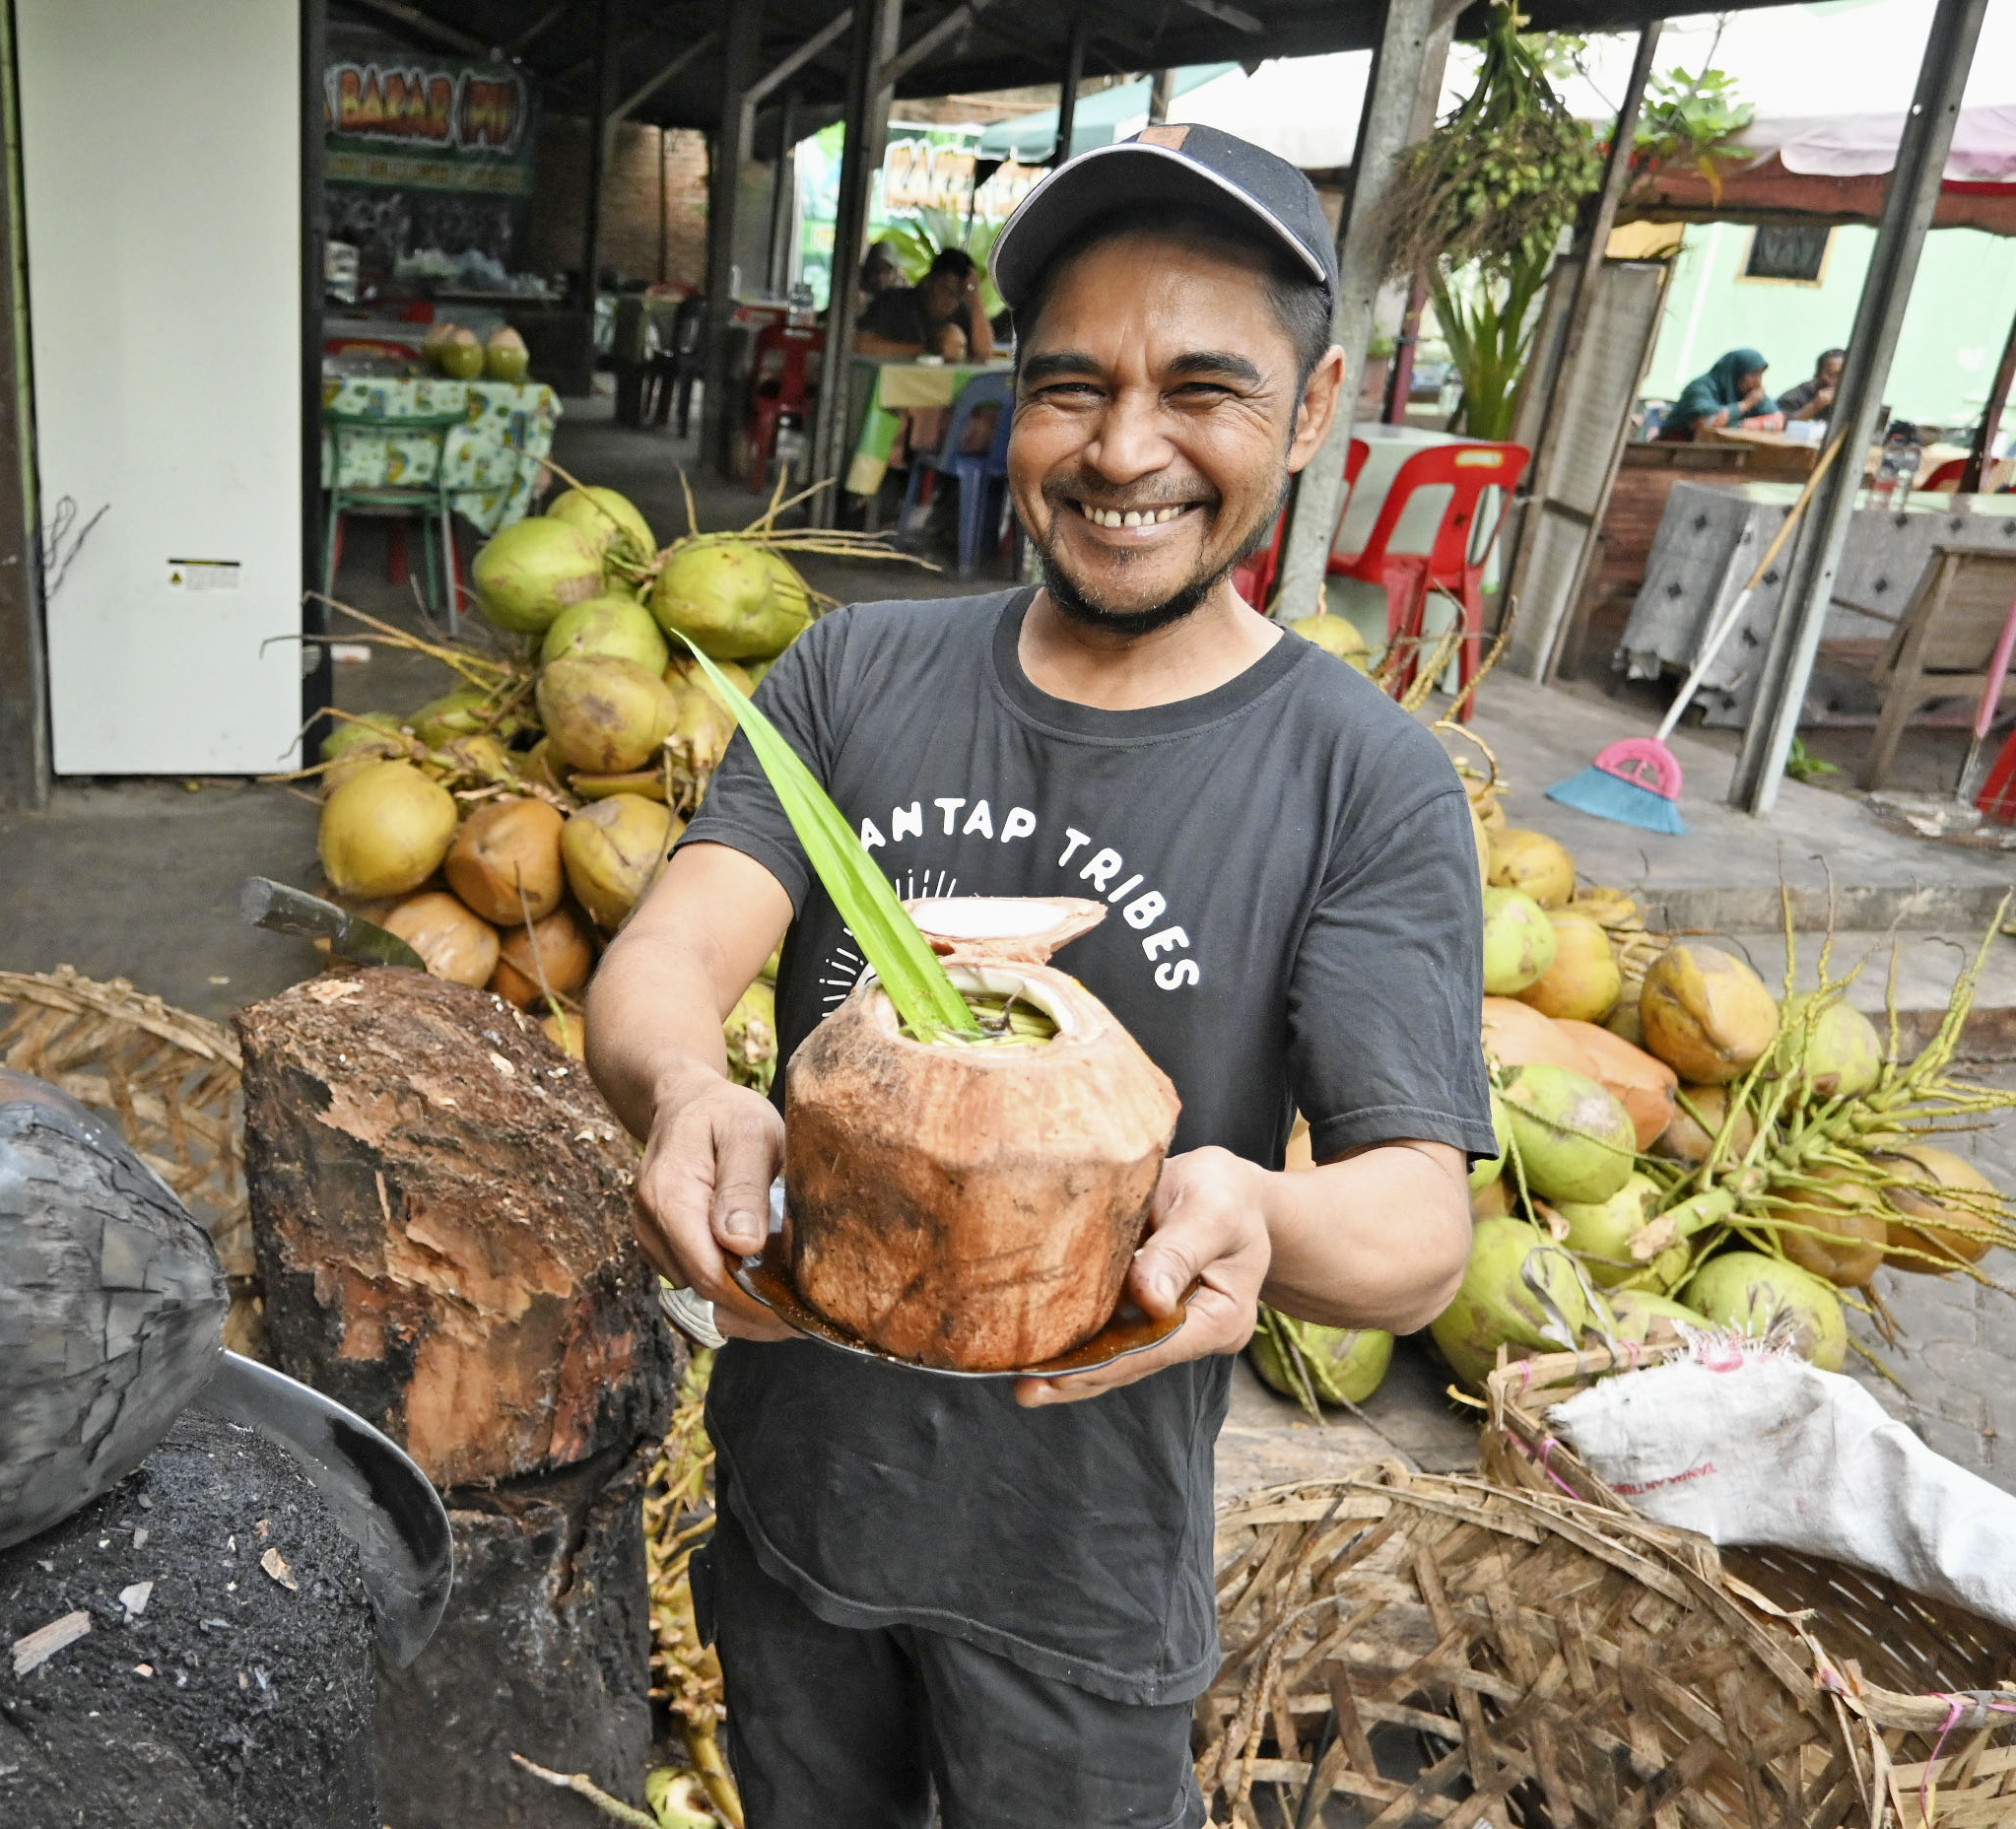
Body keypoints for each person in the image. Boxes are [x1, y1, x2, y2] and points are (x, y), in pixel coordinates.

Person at [586, 123, 1489, 1829]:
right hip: (795, 1516)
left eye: (1202, 390)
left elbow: (1415, 1231)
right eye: (1072, 386)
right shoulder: (858, 669)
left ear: (1310, 411)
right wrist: (687, 1093)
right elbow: (661, 957)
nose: (1123, 448)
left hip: (1072, 1587)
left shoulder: (1356, 776)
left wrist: (1251, 1215)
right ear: (1015, 398)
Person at [856, 245, 995, 362]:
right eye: (945, 290)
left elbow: (984, 353)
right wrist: (929, 348)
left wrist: (976, 298)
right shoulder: (894, 302)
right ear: (928, 281)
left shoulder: (962, 312)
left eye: (958, 295)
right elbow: (860, 344)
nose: (950, 301)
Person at [1658, 348, 1772, 440]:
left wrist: (1739, 425)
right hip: (1673, 450)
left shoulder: (1750, 391)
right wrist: (1745, 405)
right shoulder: (1700, 387)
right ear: (1736, 373)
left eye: (1761, 375)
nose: (1758, 381)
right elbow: (1706, 422)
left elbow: (1776, 419)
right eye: (1753, 374)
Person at [1776, 347, 1845, 422]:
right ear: (1818, 375)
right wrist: (1814, 406)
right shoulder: (1792, 398)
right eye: (1833, 375)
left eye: (1844, 375)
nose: (1839, 381)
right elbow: (1779, 424)